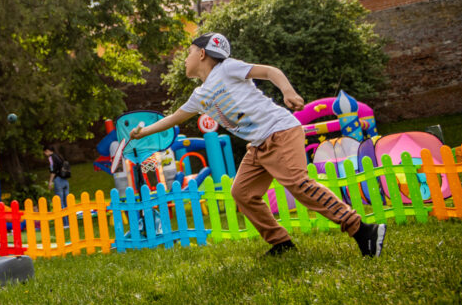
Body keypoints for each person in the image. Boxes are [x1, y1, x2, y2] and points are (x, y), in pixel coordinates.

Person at [130, 32, 387, 258]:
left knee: (299, 184)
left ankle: (363, 230)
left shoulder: (227, 68)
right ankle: (281, 243)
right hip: (259, 145)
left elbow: (269, 71)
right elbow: (174, 118)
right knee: (242, 193)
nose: (185, 59)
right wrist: (142, 132)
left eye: (188, 53)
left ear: (202, 53)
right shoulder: (199, 96)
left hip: (280, 131)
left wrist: (287, 91)